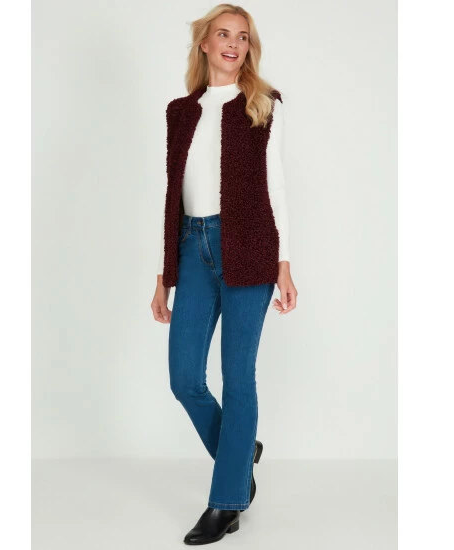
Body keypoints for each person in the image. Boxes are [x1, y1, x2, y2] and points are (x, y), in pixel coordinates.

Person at [150, 4, 298, 545]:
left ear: (248, 47)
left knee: (238, 379)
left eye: (243, 37)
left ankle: (227, 502)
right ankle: (239, 453)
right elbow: (172, 194)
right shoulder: (180, 112)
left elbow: (276, 186)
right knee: (184, 378)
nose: (234, 44)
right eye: (223, 34)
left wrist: (284, 264)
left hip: (250, 248)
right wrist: (165, 275)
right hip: (193, 248)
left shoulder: (262, 103)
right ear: (205, 44)